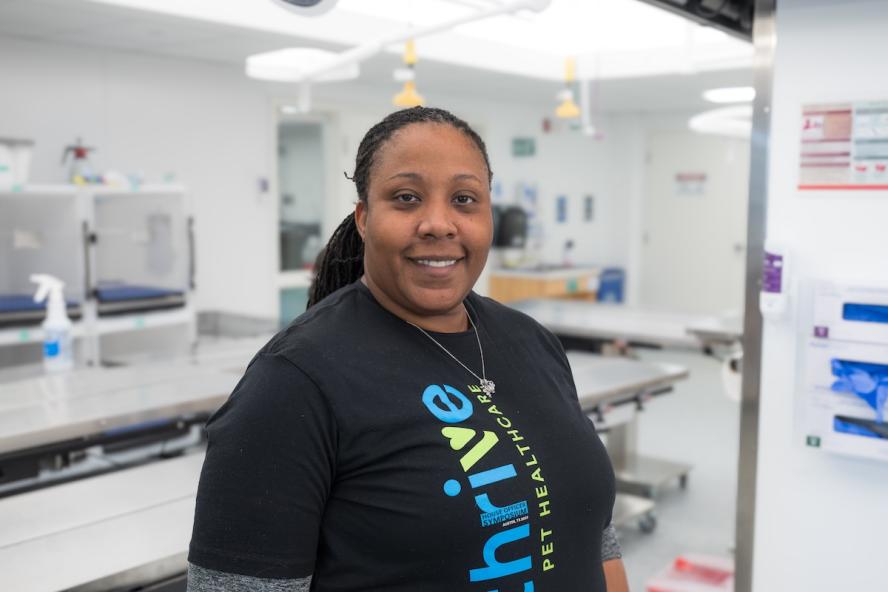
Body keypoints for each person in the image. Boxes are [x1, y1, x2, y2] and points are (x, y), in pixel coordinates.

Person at [187, 106, 628, 591]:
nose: (439, 223)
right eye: (406, 198)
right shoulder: (295, 382)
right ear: (363, 217)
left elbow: (596, 538)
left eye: (464, 199)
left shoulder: (532, 342)